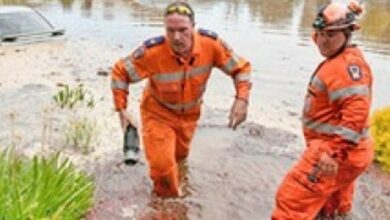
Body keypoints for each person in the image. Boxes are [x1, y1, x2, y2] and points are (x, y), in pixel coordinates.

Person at [111, 1, 252, 197]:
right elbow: (120, 73)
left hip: (189, 117)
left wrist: (242, 99)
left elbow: (241, 68)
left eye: (183, 30)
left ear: (193, 27)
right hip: (157, 113)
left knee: (180, 160)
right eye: (170, 31)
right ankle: (166, 209)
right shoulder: (152, 52)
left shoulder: (211, 45)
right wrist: (122, 110)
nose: (176, 37)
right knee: (162, 168)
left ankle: (178, 193)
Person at [272, 1, 373, 219]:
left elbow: (357, 112)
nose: (323, 41)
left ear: (348, 33)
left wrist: (332, 153)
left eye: (330, 35)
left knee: (292, 201)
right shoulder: (339, 58)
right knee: (333, 204)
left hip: (335, 151)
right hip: (350, 152)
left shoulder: (346, 66)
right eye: (320, 34)